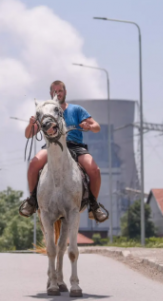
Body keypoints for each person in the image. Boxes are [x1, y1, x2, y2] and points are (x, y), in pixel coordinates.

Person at [19, 80, 109, 222]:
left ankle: (93, 205)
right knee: (33, 164)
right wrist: (31, 125)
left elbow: (97, 127)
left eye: (60, 91)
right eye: (55, 91)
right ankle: (32, 200)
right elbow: (29, 134)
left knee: (94, 170)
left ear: (65, 92)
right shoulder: (45, 110)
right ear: (50, 93)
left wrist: (89, 126)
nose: (58, 93)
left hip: (75, 146)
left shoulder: (77, 110)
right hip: (52, 146)